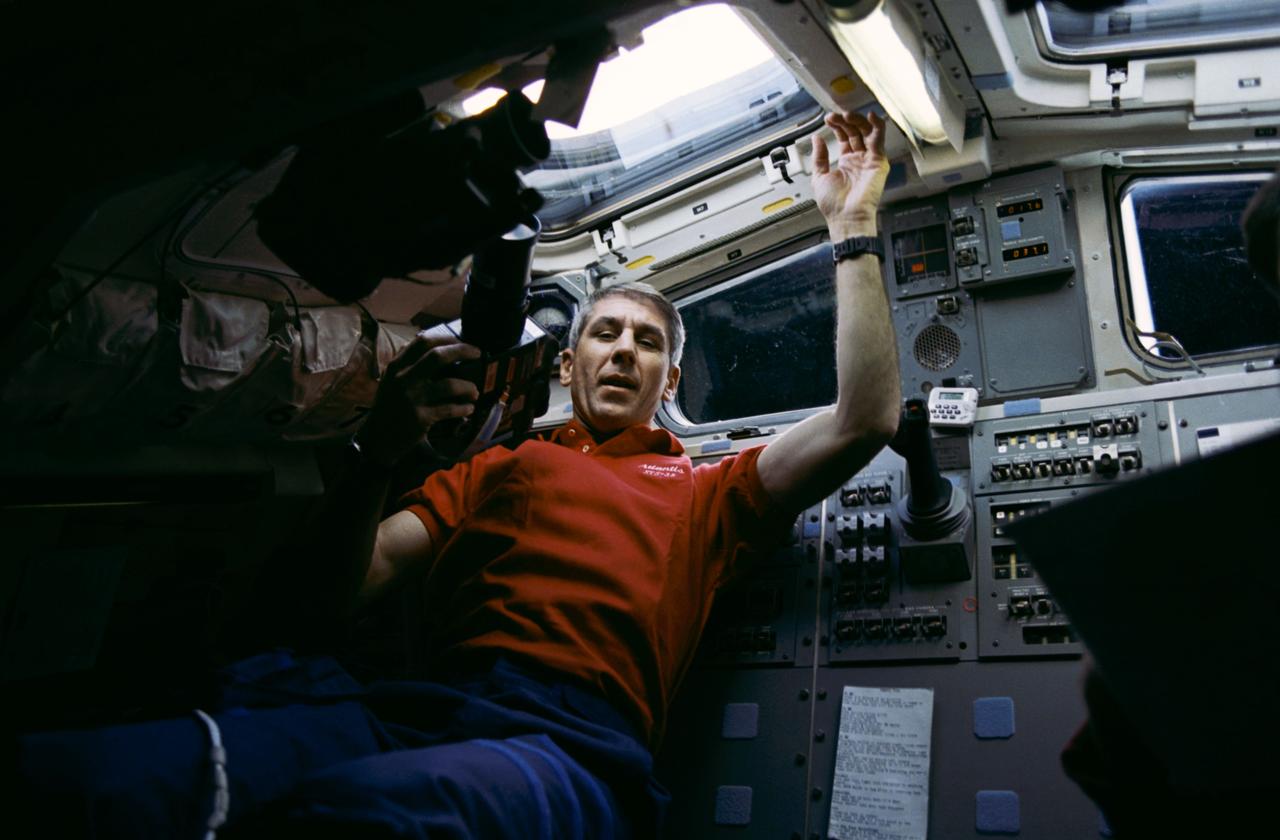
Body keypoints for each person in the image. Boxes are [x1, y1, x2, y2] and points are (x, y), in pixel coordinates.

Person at [10, 111, 900, 838]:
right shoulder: (497, 468)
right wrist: (377, 457)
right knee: (90, 778)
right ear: (568, 363)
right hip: (413, 711)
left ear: (670, 382)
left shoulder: (710, 492)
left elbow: (863, 421)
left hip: (567, 749)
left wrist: (851, 223)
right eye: (605, 332)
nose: (625, 349)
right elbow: (333, 598)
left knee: (378, 815)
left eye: (649, 342)